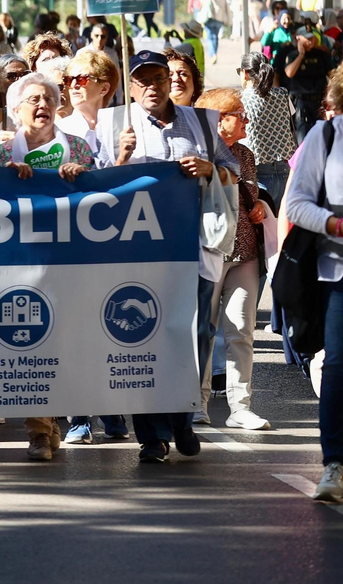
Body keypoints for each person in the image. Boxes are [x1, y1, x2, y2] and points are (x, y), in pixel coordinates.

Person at [97, 51, 239, 463]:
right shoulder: (114, 125)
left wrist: (210, 169)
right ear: (132, 86)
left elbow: (235, 171)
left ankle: (181, 416)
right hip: (137, 253)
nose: (153, 87)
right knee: (144, 336)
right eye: (142, 80)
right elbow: (92, 188)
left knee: (194, 334)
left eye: (159, 77)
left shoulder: (202, 123)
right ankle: (152, 435)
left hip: (193, 245)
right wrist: (120, 158)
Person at [0, 73, 95, 462]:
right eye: (32, 100)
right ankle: (37, 431)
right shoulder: (3, 154)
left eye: (48, 98)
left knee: (62, 348)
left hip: (68, 264)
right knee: (31, 345)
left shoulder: (78, 148)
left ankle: (51, 426)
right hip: (20, 264)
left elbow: (101, 199)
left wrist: (80, 179)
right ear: (15, 111)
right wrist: (9, 181)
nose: (42, 105)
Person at [287, 54, 343, 502]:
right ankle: (334, 464)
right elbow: (297, 204)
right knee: (342, 360)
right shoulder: (328, 135)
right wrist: (340, 227)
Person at [193, 87, 271, 431]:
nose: (246, 119)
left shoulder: (245, 153)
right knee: (202, 331)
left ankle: (241, 406)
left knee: (241, 331)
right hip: (208, 252)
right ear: (218, 119)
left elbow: (250, 192)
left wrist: (255, 206)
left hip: (245, 254)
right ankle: (197, 404)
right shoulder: (194, 155)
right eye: (239, 114)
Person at [237, 52, 296, 203]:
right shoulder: (283, 94)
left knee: (265, 225)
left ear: (245, 73)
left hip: (257, 173)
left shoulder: (241, 100)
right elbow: (291, 120)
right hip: (285, 170)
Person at [57, 49, 121, 164]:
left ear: (104, 88)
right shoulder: (58, 131)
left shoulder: (122, 129)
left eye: (81, 79)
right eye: (69, 80)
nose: (73, 85)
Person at [284, 27, 332, 136]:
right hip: (302, 102)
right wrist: (301, 55)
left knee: (322, 136)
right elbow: (289, 73)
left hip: (319, 101)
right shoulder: (292, 55)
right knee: (303, 137)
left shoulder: (322, 54)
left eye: (312, 38)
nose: (311, 41)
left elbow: (331, 75)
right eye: (307, 38)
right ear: (298, 39)